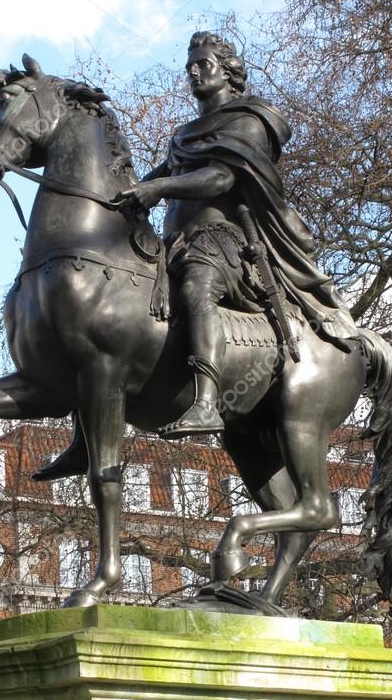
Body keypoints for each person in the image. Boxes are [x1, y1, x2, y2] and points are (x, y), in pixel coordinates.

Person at [115, 31, 357, 439]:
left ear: (227, 72)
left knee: (196, 285)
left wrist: (157, 190)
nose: (193, 72)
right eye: (189, 66)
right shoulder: (184, 132)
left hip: (225, 243)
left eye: (202, 64)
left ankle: (207, 402)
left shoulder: (248, 120)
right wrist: (124, 194)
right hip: (175, 242)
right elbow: (160, 176)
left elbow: (220, 176)